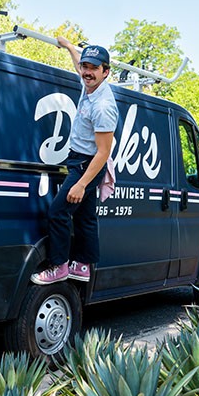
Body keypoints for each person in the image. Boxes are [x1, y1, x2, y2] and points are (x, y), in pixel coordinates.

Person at [31, 39, 119, 285]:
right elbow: (78, 66)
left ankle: (59, 266)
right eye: (85, 66)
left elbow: (103, 153)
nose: (87, 72)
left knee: (58, 212)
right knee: (85, 218)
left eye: (94, 68)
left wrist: (81, 184)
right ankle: (82, 266)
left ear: (106, 71)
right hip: (81, 160)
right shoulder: (90, 86)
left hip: (86, 164)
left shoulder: (102, 106)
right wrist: (70, 47)